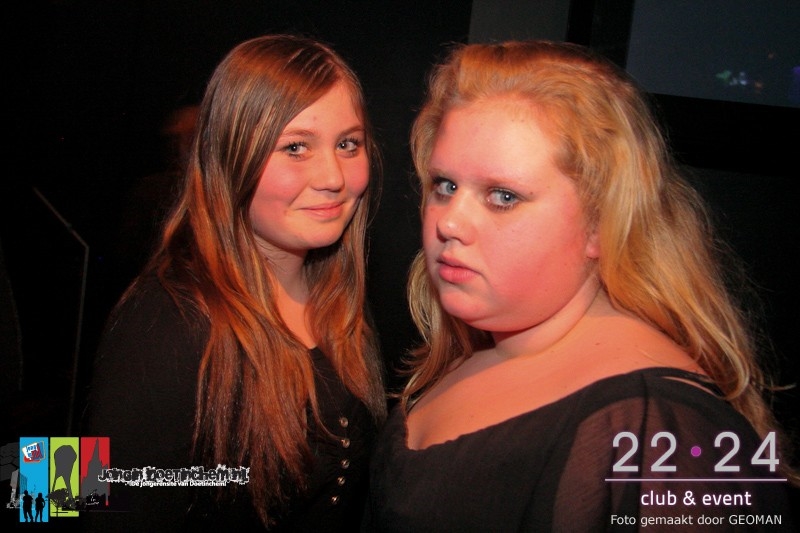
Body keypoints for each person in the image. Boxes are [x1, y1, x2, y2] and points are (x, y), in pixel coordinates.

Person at [365, 40, 797, 531]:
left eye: (503, 196)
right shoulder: (481, 345)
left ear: (600, 224)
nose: (449, 222)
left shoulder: (660, 427)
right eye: (445, 186)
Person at [83, 34, 386, 532]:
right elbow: (74, 497)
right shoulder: (165, 320)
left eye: (347, 144)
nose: (334, 176)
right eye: (295, 147)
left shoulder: (341, 302)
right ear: (230, 157)